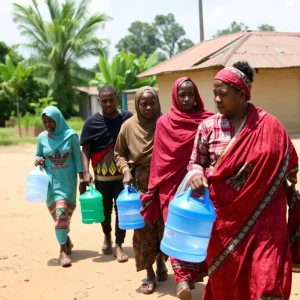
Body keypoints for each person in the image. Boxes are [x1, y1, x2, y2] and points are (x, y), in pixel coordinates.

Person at [188, 61, 299, 299]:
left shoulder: (270, 126)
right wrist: (196, 175)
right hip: (223, 223)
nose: (217, 100)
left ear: (242, 94)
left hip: (267, 221)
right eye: (215, 94)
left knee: (267, 281)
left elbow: (289, 165)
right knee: (226, 281)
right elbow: (195, 162)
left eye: (223, 94)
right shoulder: (208, 127)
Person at [140, 78, 213, 299]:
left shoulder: (209, 120)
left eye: (191, 94)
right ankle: (181, 279)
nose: (187, 99)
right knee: (175, 228)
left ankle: (197, 275)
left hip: (198, 184)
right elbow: (160, 160)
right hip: (170, 186)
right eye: (182, 95)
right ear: (174, 96)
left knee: (198, 231)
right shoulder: (164, 123)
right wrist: (154, 187)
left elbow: (212, 154)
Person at [114, 86, 168, 294]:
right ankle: (150, 273)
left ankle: (162, 261)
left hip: (163, 181)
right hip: (139, 182)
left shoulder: (165, 123)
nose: (148, 107)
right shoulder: (128, 126)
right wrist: (126, 171)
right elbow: (119, 153)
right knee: (142, 229)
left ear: (158, 103)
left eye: (152, 103)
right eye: (143, 103)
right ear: (137, 104)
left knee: (163, 227)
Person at [80, 86, 132, 262]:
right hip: (101, 178)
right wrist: (85, 172)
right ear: (98, 101)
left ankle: (119, 244)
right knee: (105, 211)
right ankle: (107, 236)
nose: (108, 103)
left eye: (111, 99)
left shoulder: (127, 119)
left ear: (117, 98)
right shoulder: (91, 123)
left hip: (123, 176)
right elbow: (85, 149)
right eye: (104, 100)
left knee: (122, 210)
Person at [35, 106, 84, 267]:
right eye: (45, 122)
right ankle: (66, 241)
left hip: (67, 182)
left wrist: (82, 179)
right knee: (58, 216)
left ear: (59, 120)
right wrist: (38, 160)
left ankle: (62, 250)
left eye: (51, 121)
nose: (48, 124)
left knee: (62, 213)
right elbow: (39, 155)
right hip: (49, 184)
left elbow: (78, 159)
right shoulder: (42, 138)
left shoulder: (70, 137)